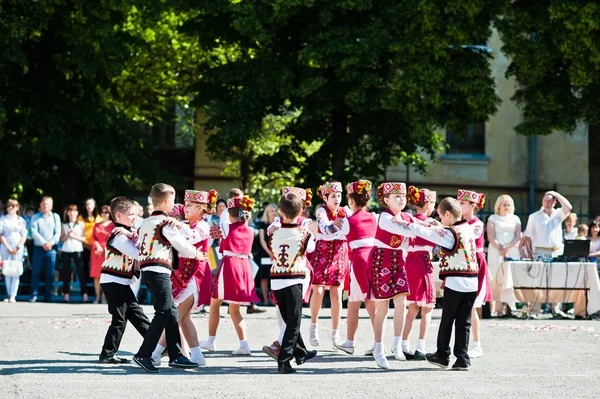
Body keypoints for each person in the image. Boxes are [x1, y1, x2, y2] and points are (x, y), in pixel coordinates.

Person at [394, 197, 478, 371]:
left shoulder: (450, 233)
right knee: (464, 321)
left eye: (440, 216)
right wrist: (435, 223)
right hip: (472, 282)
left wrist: (406, 224)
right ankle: (462, 357)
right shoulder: (467, 227)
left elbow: (428, 234)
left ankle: (442, 355)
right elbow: (443, 229)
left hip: (456, 281)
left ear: (448, 214)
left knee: (447, 319)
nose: (440, 220)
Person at [132, 183, 202, 373]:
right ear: (167, 202)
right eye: (172, 201)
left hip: (147, 270)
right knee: (163, 312)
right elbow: (181, 245)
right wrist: (195, 253)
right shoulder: (165, 223)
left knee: (172, 312)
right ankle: (143, 354)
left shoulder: (145, 222)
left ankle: (176, 355)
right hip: (159, 270)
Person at [151, 189, 218, 368]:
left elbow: (190, 237)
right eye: (186, 205)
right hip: (185, 274)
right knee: (183, 317)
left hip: (196, 276)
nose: (185, 209)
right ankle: (197, 356)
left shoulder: (202, 226)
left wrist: (177, 225)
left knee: (175, 316)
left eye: (189, 206)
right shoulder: (188, 224)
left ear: (201, 209)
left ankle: (154, 354)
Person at [200, 196, 260, 355]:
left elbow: (207, 232)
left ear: (230, 213)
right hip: (244, 267)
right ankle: (244, 344)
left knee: (215, 304)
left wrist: (205, 216)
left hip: (229, 266)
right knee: (235, 309)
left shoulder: (226, 227)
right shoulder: (250, 230)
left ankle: (211, 341)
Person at [268, 192, 318, 374]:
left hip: (276, 281)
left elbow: (272, 246)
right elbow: (310, 248)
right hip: (293, 279)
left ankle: (300, 352)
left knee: (289, 319)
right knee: (294, 322)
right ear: (301, 212)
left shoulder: (273, 233)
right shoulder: (304, 234)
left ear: (281, 212)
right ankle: (284, 360)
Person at [99, 196, 150, 364]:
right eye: (131, 214)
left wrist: (132, 234)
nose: (134, 217)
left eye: (136, 214)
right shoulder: (118, 235)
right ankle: (107, 354)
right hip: (113, 281)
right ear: (119, 215)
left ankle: (157, 343)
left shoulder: (126, 232)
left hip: (120, 281)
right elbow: (138, 253)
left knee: (136, 313)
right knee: (119, 318)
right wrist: (132, 235)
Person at [369, 182, 414, 368]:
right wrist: (426, 228)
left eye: (403, 195)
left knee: (402, 303)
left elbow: (415, 225)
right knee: (383, 308)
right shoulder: (384, 218)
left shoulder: (406, 216)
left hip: (397, 260)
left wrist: (434, 224)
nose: (401, 198)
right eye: (396, 196)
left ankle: (397, 345)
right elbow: (409, 228)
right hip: (381, 260)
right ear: (386, 200)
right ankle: (378, 349)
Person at [334, 180, 377, 356]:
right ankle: (377, 341)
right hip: (374, 258)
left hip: (359, 259)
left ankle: (351, 342)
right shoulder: (375, 217)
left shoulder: (347, 221)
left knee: (355, 302)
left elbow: (329, 231)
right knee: (371, 300)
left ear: (351, 201)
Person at [309, 181, 349, 349]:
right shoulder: (321, 211)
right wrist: (336, 227)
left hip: (339, 253)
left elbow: (348, 230)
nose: (337, 199)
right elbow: (325, 227)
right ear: (325, 197)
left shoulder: (345, 211)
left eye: (339, 195)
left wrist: (339, 228)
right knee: (317, 290)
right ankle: (313, 326)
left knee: (336, 293)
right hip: (322, 252)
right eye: (333, 196)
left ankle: (336, 333)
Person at [401, 186, 438, 360]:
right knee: (427, 307)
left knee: (412, 307)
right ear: (429, 203)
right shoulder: (431, 223)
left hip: (410, 262)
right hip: (423, 261)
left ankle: (403, 344)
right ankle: (420, 347)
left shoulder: (408, 220)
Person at [457, 189, 490, 359]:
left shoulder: (477, 224)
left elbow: (466, 236)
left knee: (473, 306)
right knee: (464, 306)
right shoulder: (460, 222)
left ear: (473, 206)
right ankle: (464, 344)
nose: (459, 205)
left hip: (475, 264)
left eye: (462, 203)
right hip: (463, 263)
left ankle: (477, 345)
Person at [487, 195, 521, 317]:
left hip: (512, 251)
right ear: (499, 205)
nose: (506, 207)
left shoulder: (515, 218)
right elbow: (491, 236)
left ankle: (510, 307)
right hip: (496, 251)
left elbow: (518, 236)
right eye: (504, 205)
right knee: (496, 277)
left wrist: (508, 247)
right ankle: (497, 307)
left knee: (510, 278)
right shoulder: (493, 218)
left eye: (508, 205)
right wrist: (500, 248)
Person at [521, 191, 573, 258]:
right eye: (545, 200)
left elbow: (568, 207)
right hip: (540, 252)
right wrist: (529, 255)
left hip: (557, 252)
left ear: (554, 203)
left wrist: (556, 194)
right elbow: (527, 237)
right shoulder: (534, 216)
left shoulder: (558, 214)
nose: (547, 203)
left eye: (549, 201)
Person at [30, 196, 61, 303]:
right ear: (40, 205)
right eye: (43, 204)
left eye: (47, 204)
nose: (45, 206)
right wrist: (44, 243)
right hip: (39, 248)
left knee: (50, 273)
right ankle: (34, 294)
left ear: (51, 206)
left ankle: (47, 295)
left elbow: (58, 233)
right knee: (35, 272)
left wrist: (50, 243)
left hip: (52, 249)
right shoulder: (35, 217)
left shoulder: (56, 217)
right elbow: (34, 232)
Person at [0, 199, 27, 303]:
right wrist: (8, 247)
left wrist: (18, 247)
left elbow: (24, 235)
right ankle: (9, 293)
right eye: (9, 206)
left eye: (13, 206)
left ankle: (13, 295)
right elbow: (1, 234)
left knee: (16, 270)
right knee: (7, 270)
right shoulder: (3, 219)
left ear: (17, 207)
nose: (10, 208)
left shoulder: (21, 220)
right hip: (5, 245)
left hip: (17, 246)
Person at [60, 205, 88, 303]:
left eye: (74, 211)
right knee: (66, 272)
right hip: (66, 250)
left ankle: (84, 293)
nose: (72, 213)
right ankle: (66, 293)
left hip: (77, 249)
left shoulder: (81, 224)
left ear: (77, 213)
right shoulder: (64, 224)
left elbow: (84, 239)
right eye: (70, 211)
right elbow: (62, 240)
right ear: (67, 213)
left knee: (81, 272)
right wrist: (68, 235)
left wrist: (74, 236)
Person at [79, 198, 103, 295]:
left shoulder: (99, 218)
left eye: (91, 204)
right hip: (84, 246)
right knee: (84, 270)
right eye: (87, 204)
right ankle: (85, 292)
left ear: (94, 206)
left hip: (96, 248)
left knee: (97, 271)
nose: (89, 207)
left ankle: (95, 293)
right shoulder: (80, 218)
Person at [91, 206, 115, 304]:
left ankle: (104, 298)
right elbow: (93, 238)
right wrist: (97, 246)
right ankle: (97, 297)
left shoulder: (113, 225)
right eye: (102, 212)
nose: (104, 213)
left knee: (106, 275)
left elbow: (112, 239)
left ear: (110, 214)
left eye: (106, 212)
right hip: (96, 252)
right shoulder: (96, 225)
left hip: (107, 253)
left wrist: (104, 247)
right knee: (96, 276)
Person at [255, 203, 278, 305]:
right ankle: (265, 300)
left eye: (275, 211)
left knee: (274, 277)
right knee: (264, 277)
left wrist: (275, 253)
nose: (274, 213)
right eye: (272, 211)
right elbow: (262, 240)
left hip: (276, 253)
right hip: (265, 253)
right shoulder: (262, 224)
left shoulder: (278, 224)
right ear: (267, 212)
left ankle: (274, 300)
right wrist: (269, 253)